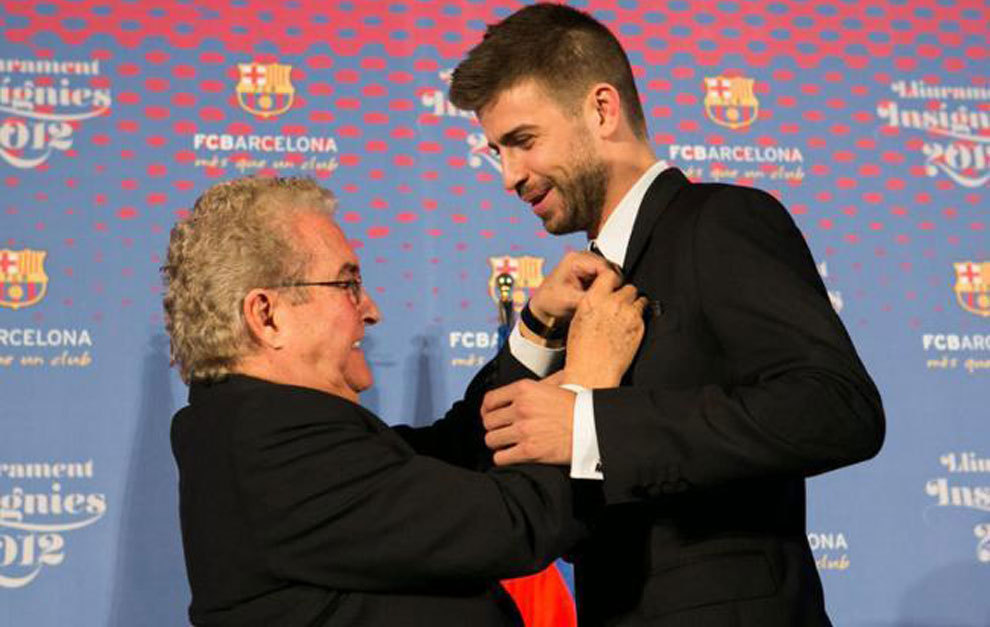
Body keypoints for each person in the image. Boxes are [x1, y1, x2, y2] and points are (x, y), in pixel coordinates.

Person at [449, 4, 885, 626]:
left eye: (522, 141)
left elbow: (838, 409)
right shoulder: (575, 292)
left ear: (602, 109)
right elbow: (486, 450)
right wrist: (537, 330)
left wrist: (593, 427)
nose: (509, 176)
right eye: (495, 151)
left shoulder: (720, 223)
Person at [161, 176, 647, 626]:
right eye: (347, 283)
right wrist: (585, 384)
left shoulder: (264, 435)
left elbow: (462, 449)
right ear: (266, 316)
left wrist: (537, 329)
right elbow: (512, 524)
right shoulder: (269, 446)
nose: (370, 310)